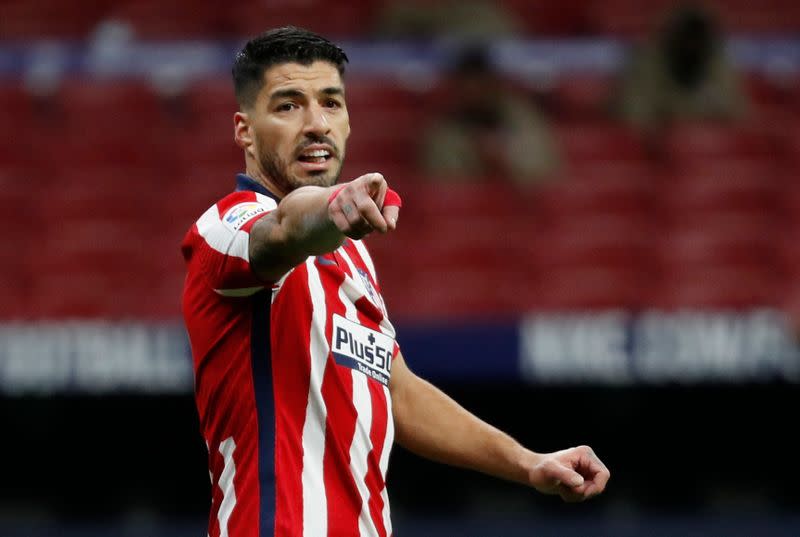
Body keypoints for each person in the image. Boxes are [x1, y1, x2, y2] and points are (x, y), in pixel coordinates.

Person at [181, 27, 610, 537]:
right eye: (288, 106)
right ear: (245, 131)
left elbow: (397, 390)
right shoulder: (226, 227)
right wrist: (333, 205)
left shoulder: (353, 255)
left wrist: (527, 463)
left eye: (331, 103)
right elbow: (285, 226)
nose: (317, 124)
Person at [420, 43, 561, 184]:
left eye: (480, 86)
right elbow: (444, 188)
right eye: (467, 88)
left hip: (516, 201)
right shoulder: (443, 132)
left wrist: (504, 158)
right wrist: (474, 156)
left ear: (493, 85)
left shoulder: (523, 118)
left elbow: (545, 178)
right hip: (469, 203)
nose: (474, 94)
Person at [612, 3, 748, 131]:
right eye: (686, 37)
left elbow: (737, 116)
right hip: (661, 150)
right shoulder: (645, 63)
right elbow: (635, 117)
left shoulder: (717, 63)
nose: (692, 45)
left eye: (698, 37)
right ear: (671, 37)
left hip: (705, 147)